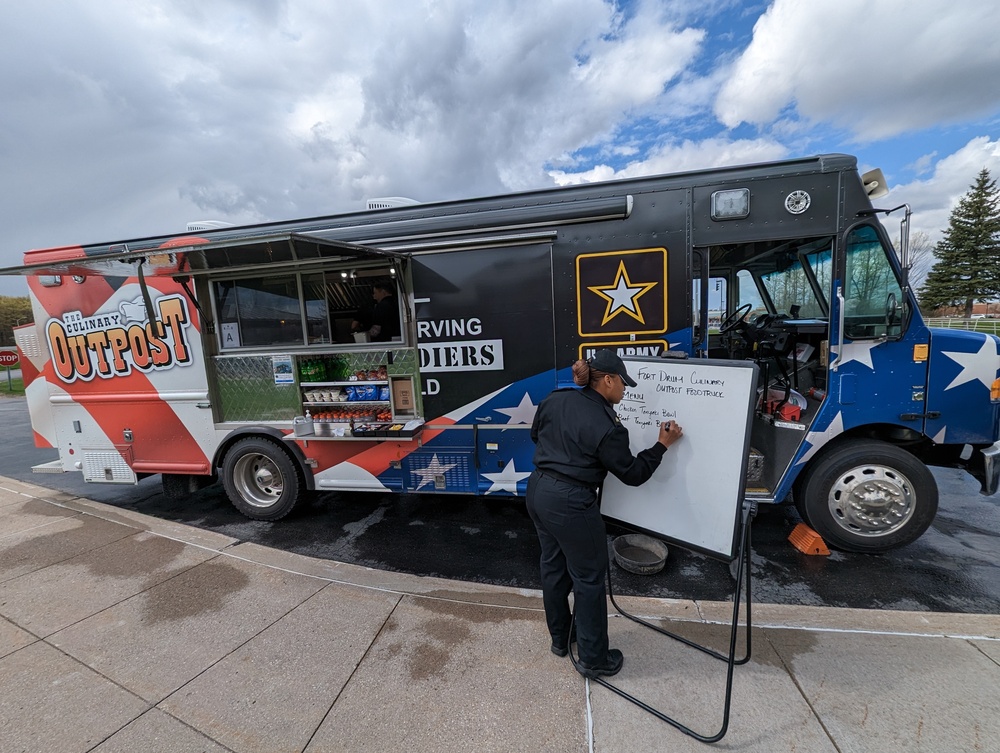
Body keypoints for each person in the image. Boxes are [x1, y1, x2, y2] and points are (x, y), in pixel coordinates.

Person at [526, 349, 683, 679]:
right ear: (607, 380)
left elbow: (536, 435)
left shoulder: (555, 399)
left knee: (553, 567)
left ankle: (560, 639)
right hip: (571, 503)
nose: (625, 391)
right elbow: (633, 474)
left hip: (538, 490)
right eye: (623, 384)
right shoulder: (609, 426)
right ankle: (594, 659)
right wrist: (661, 445)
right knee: (589, 579)